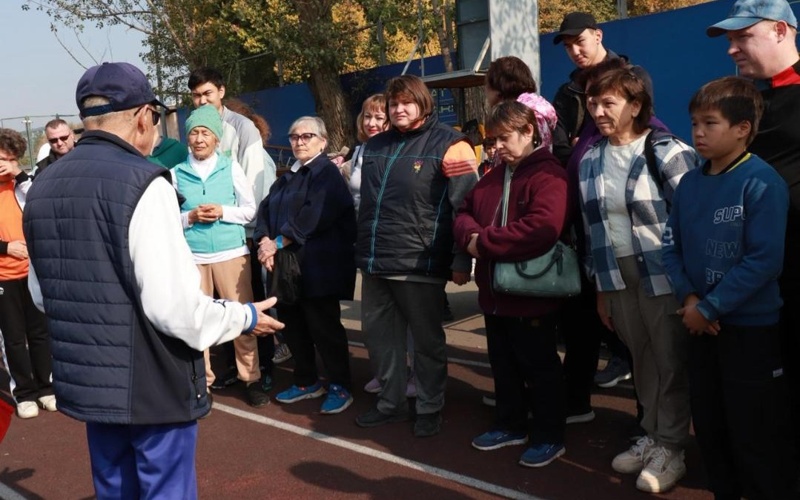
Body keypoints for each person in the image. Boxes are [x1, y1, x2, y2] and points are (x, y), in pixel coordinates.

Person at [22, 62, 283, 499]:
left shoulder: (42, 186)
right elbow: (175, 309)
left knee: (114, 488)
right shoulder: (144, 182)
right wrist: (243, 316)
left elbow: (42, 293)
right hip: (150, 383)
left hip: (90, 378)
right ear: (144, 115)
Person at [663, 75, 794, 500]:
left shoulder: (761, 182)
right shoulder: (689, 184)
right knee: (712, 426)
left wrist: (712, 307)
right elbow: (672, 249)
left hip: (749, 331)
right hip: (699, 324)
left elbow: (764, 261)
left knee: (754, 432)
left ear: (743, 129)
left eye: (710, 123)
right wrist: (690, 300)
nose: (698, 133)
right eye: (694, 123)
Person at [578, 67, 696, 493]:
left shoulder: (666, 150)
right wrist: (601, 291)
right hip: (616, 276)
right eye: (593, 103)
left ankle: (672, 447)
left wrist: (691, 286)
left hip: (664, 274)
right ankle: (652, 433)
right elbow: (592, 231)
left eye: (608, 102)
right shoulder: (590, 159)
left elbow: (693, 218)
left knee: (670, 359)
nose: (598, 111)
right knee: (642, 358)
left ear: (637, 105)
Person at [354, 75, 478, 437]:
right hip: (376, 262)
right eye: (394, 104)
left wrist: (460, 259)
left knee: (426, 343)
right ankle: (390, 404)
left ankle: (429, 407)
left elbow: (465, 207)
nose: (399, 109)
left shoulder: (452, 145)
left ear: (424, 103)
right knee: (379, 340)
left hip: (420, 262)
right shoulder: (375, 147)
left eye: (407, 102)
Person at [706, 0, 800, 462]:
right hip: (752, 285)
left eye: (742, 37)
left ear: (781, 31)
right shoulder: (745, 103)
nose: (731, 49)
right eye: (729, 39)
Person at [454, 100, 569, 467]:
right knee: (503, 364)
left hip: (532, 293)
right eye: (493, 140)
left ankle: (550, 436)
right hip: (494, 294)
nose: (497, 146)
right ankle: (511, 424)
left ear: (528, 132)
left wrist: (482, 243)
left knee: (540, 366)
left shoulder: (549, 174)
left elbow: (542, 229)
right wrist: (471, 235)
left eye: (504, 138)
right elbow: (463, 212)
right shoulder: (493, 175)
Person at [254, 116, 357, 415]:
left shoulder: (327, 174)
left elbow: (315, 216)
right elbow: (265, 210)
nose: (299, 141)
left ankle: (340, 384)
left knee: (325, 329)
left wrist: (278, 241)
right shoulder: (287, 176)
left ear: (322, 141)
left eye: (307, 136)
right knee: (294, 326)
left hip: (319, 268)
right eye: (294, 136)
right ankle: (306, 380)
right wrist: (263, 240)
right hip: (288, 270)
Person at [172, 105, 268, 408]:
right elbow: (168, 218)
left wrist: (223, 212)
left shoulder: (231, 167)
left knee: (242, 319)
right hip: (194, 259)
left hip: (232, 256)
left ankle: (250, 379)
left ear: (216, 139)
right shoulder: (175, 173)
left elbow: (250, 210)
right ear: (188, 138)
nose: (199, 139)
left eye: (206, 133)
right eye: (194, 133)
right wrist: (190, 217)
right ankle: (203, 383)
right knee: (197, 324)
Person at [188, 68, 277, 390]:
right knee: (215, 310)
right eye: (196, 95)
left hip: (243, 235)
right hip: (203, 243)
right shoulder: (193, 133)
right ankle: (227, 370)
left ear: (221, 92)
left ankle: (260, 370)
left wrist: (255, 231)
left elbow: (257, 183)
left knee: (247, 304)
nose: (202, 100)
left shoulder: (243, 128)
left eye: (207, 93)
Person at [0, 128, 53, 419]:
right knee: (13, 338)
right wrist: (7, 247)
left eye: (9, 158)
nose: (3, 163)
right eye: (0, 158)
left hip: (31, 272)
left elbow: (39, 201)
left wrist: (17, 173)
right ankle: (24, 393)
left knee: (40, 332)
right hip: (3, 277)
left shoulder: (23, 184)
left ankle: (46, 388)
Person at [484, 56, 557, 153]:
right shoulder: (536, 108)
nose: (498, 145)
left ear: (498, 86)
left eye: (486, 85)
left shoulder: (521, 115)